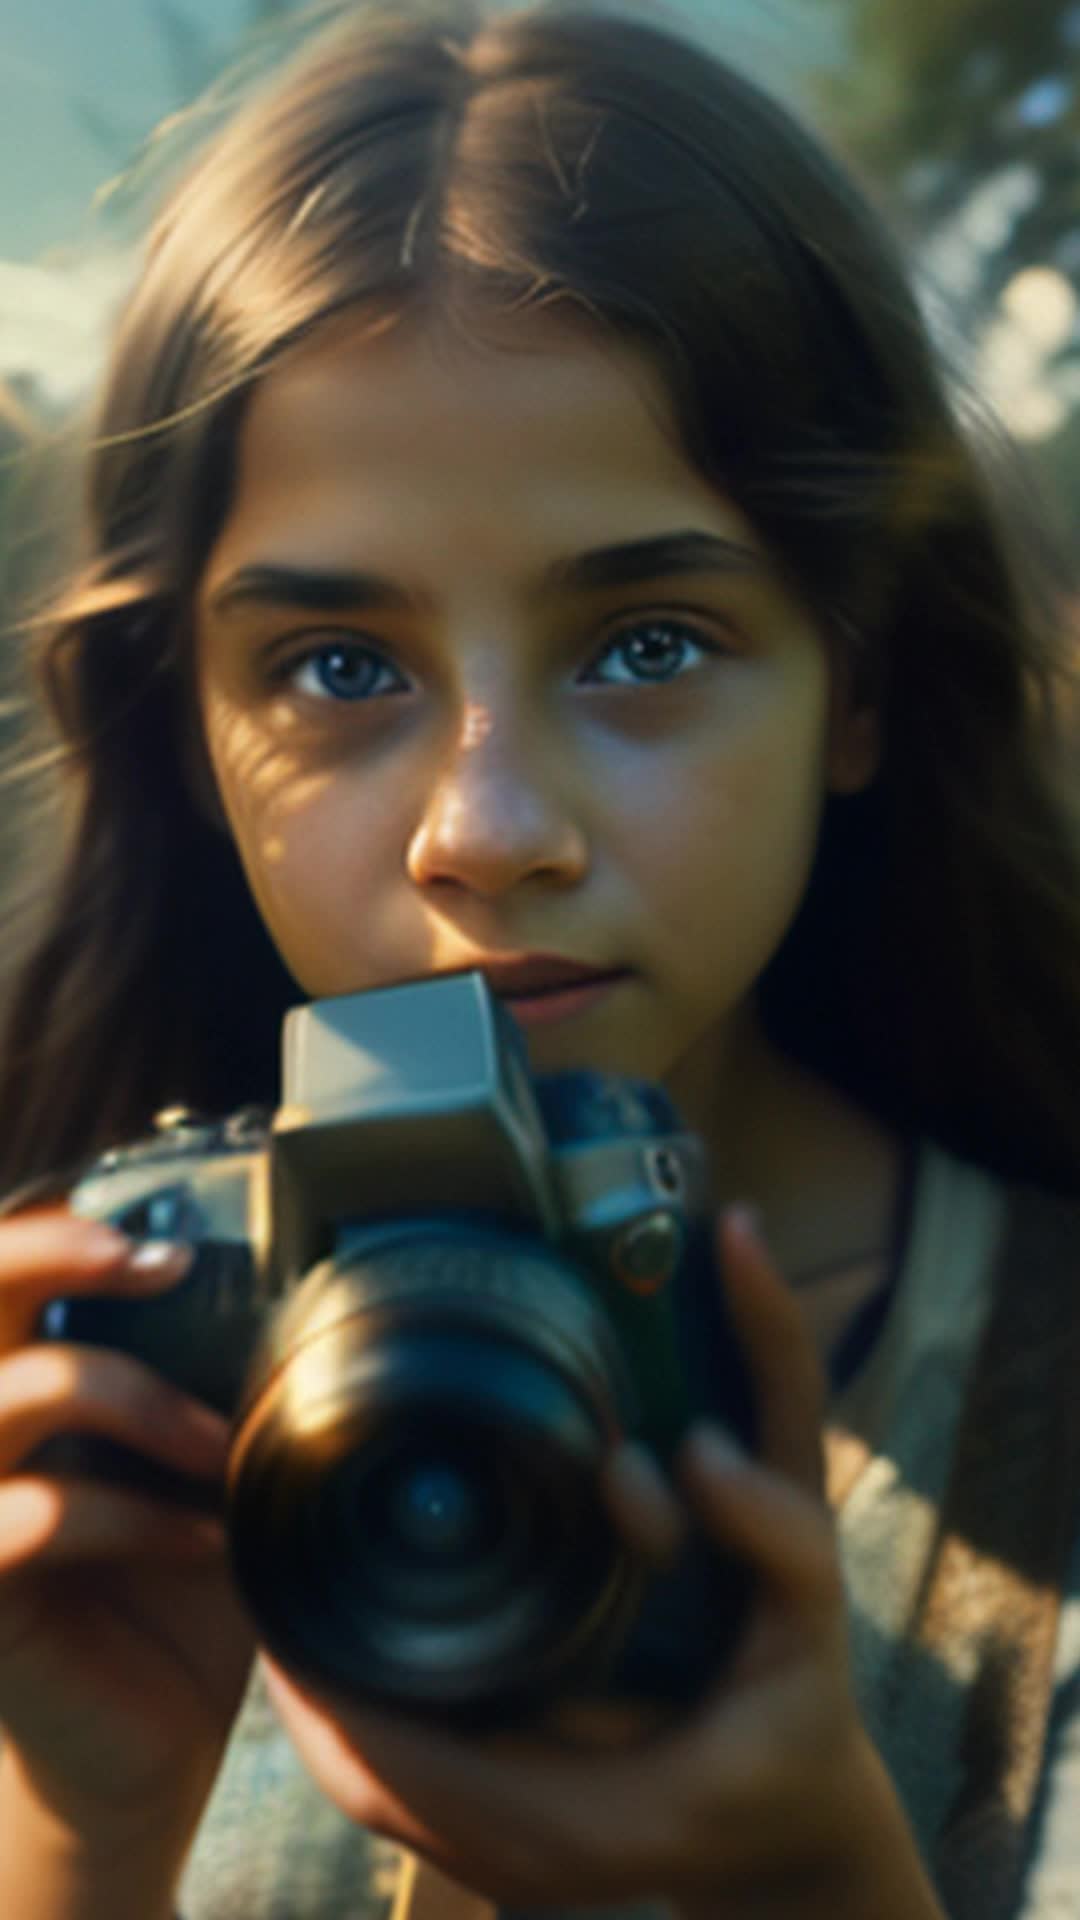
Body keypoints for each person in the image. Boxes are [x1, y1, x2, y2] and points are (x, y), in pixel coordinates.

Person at [0, 2, 1078, 1915]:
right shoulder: (91, 1442)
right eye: (339, 669)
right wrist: (77, 1832)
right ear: (189, 736)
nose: (486, 831)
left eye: (647, 643)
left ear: (859, 679)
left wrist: (820, 1883)